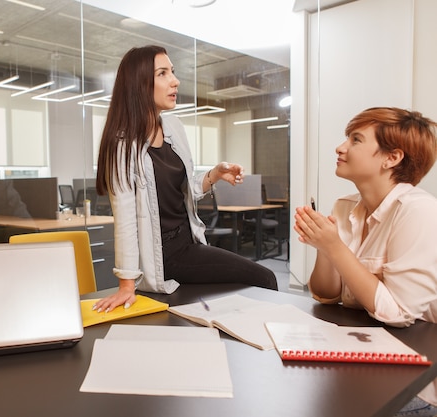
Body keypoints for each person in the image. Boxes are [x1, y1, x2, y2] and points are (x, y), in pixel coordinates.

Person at [93, 45, 278, 313]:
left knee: (257, 282)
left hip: (189, 241)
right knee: (265, 278)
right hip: (166, 255)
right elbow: (125, 219)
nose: (174, 80)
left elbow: (182, 189)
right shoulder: (123, 146)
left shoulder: (173, 127)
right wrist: (126, 283)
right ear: (139, 83)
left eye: (173, 72)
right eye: (163, 73)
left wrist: (214, 174)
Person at [294, 107, 437, 417]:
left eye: (355, 140)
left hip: (417, 382)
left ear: (392, 158)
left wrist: (335, 246)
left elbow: (399, 312)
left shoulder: (418, 210)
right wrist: (325, 246)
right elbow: (326, 295)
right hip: (366, 353)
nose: (341, 147)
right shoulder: (345, 206)